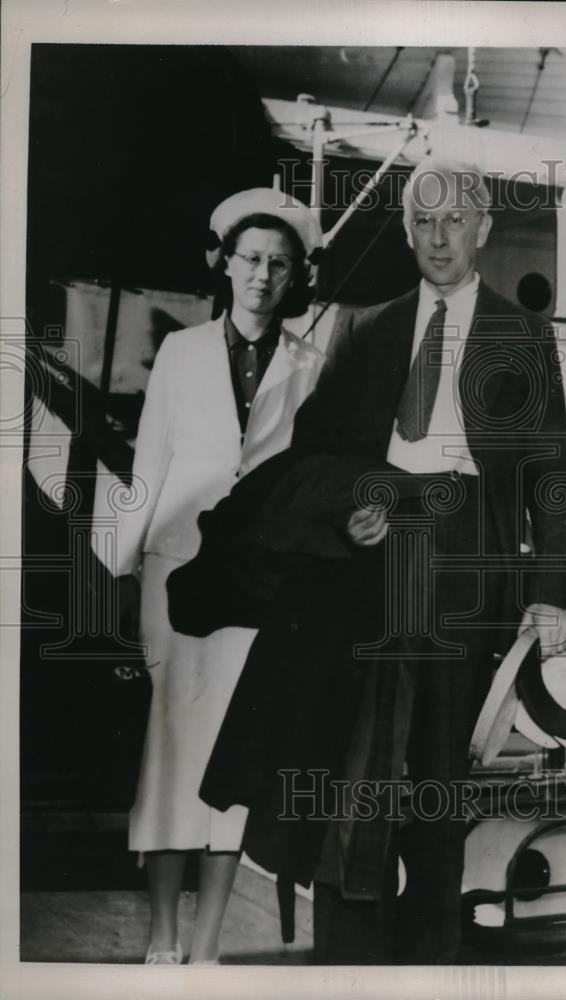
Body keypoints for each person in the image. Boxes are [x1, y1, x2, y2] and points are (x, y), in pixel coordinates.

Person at [186, 157, 566, 964]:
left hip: (469, 567)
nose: (439, 238)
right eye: (423, 223)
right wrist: (348, 513)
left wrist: (552, 594)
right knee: (348, 766)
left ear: (483, 228)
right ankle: (345, 967)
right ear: (406, 231)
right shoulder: (362, 327)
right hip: (370, 564)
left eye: (454, 221)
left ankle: (429, 965)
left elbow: (551, 475)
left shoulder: (525, 334)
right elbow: (318, 451)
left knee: (436, 779)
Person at [100, 188, 324, 964]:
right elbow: (148, 461)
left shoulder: (310, 365)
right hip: (179, 575)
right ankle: (161, 942)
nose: (263, 274)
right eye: (251, 259)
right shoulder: (182, 352)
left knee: (238, 762)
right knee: (168, 758)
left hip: (256, 587)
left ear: (295, 275)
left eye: (279, 263)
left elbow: (305, 481)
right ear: (225, 265)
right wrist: (131, 569)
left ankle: (206, 950)